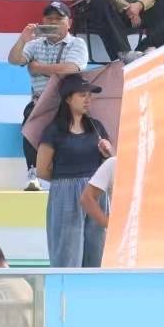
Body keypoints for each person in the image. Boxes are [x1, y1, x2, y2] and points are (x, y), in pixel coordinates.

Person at [10, 0, 88, 191]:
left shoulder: (77, 43)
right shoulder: (34, 44)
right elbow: (14, 60)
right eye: (49, 18)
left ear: (69, 23)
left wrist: (38, 67)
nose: (53, 22)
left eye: (58, 18)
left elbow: (71, 68)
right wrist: (22, 40)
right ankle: (32, 173)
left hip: (67, 101)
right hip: (40, 101)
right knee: (30, 118)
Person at [36, 78, 111, 268]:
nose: (88, 99)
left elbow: (110, 167)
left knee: (97, 251)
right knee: (67, 254)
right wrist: (66, 182)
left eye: (89, 95)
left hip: (96, 193)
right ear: (68, 99)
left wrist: (108, 153)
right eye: (82, 95)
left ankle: (92, 287)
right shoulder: (54, 131)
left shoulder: (97, 128)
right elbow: (42, 170)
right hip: (66, 194)